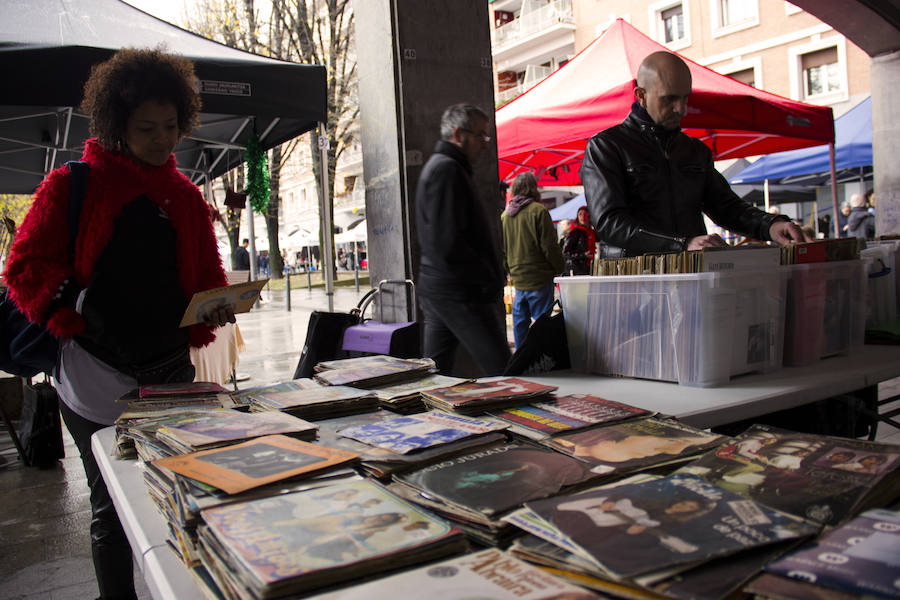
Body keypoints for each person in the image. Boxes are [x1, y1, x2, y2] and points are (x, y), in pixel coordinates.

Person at [3, 47, 235, 600]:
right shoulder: (72, 186)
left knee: (183, 493)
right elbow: (23, 267)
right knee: (112, 511)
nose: (162, 140)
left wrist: (216, 304)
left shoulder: (184, 197)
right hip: (93, 377)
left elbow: (204, 278)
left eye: (171, 127)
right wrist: (77, 307)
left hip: (172, 371)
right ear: (115, 127)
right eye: (146, 128)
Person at [580, 51, 808, 257]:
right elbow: (610, 224)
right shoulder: (606, 147)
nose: (681, 108)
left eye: (685, 98)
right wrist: (682, 243)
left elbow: (726, 207)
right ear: (641, 95)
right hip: (635, 281)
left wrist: (771, 225)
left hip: (693, 276)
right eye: (669, 98)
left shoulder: (694, 150)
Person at [415, 103, 511, 376]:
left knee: (435, 374)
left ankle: (428, 415)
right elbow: (448, 242)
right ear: (458, 134)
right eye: (480, 136)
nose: (485, 144)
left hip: (443, 288)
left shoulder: (444, 168)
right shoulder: (447, 170)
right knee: (505, 371)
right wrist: (486, 278)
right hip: (460, 292)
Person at [501, 172, 565, 348]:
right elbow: (549, 247)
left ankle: (521, 360)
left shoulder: (505, 216)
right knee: (542, 324)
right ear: (533, 188)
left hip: (518, 280)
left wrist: (510, 270)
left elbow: (503, 250)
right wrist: (560, 267)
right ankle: (540, 360)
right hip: (540, 277)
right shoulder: (538, 211)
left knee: (520, 324)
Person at [563, 205, 597, 274]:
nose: (583, 217)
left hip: (590, 267)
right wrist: (583, 255)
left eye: (585, 214)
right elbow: (565, 252)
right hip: (577, 269)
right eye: (580, 214)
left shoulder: (592, 232)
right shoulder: (575, 232)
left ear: (589, 216)